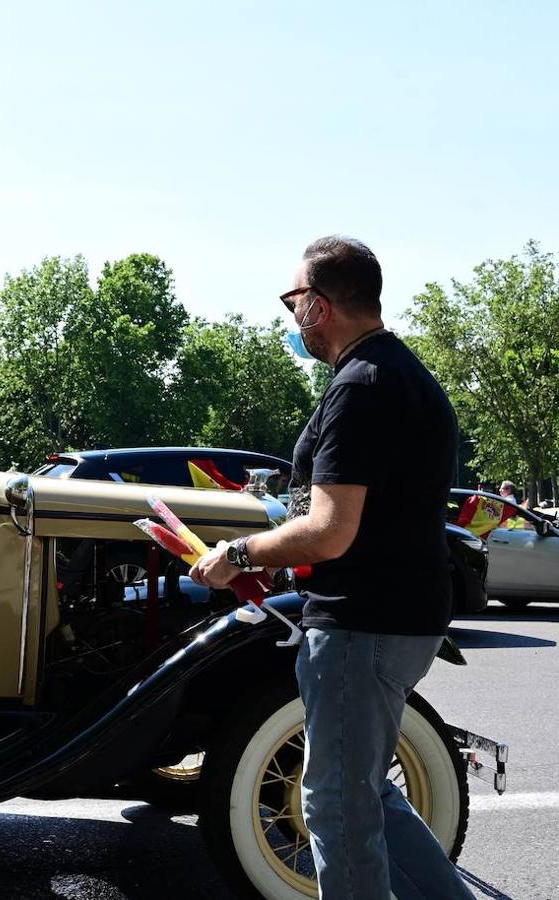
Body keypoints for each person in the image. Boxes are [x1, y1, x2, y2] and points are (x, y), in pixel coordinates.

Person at [191, 236, 473, 899]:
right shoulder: (393, 374)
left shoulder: (362, 385)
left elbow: (328, 531)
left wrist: (235, 555)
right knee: (361, 793)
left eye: (292, 302)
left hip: (361, 625)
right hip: (394, 617)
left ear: (318, 306)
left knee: (334, 810)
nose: (290, 318)